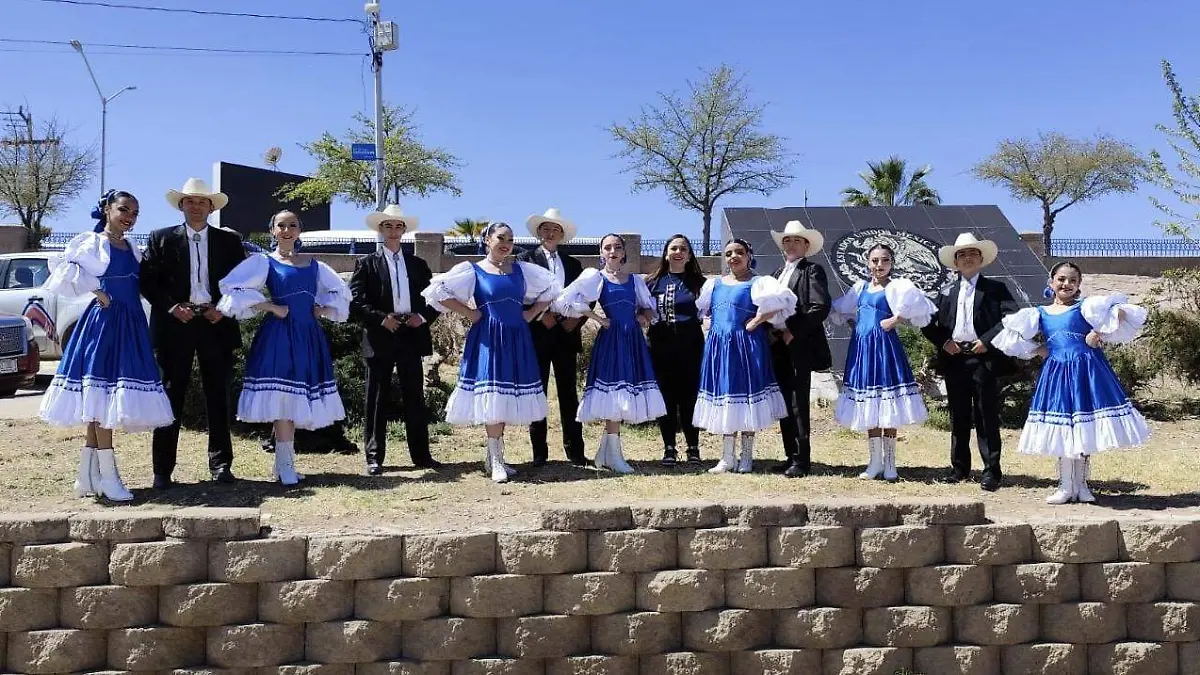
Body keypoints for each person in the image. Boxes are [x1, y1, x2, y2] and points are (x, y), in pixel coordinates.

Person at [40, 190, 174, 501]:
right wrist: (96, 290)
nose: (129, 216)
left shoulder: (131, 246)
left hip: (130, 323)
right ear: (107, 209)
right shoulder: (92, 241)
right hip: (105, 323)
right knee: (100, 399)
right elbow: (63, 267)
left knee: (100, 401)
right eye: (124, 209)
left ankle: (87, 477)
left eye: (135, 212)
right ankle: (109, 477)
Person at [992, 261, 1149, 504]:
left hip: (1087, 371)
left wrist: (1100, 333)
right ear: (1051, 282)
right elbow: (1011, 338)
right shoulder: (1039, 313)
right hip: (1057, 374)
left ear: (1079, 286)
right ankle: (1065, 485)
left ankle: (1082, 485)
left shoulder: (1086, 308)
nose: (1067, 284)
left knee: (1084, 428)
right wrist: (1039, 349)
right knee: (1065, 429)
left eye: (1073, 280)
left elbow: (1121, 311)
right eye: (1062, 279)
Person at [216, 210, 351, 485]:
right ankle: (286, 465)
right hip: (278, 335)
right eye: (281, 225)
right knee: (282, 399)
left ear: (299, 230)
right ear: (272, 231)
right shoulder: (264, 262)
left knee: (295, 399)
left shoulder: (315, 265)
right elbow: (232, 289)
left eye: (292, 225)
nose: (287, 230)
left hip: (308, 335)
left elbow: (342, 293)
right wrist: (270, 306)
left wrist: (322, 309)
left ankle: (283, 465)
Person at [421, 222, 560, 482]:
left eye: (510, 238)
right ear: (487, 240)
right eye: (500, 237)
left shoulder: (522, 270)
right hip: (488, 336)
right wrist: (471, 313)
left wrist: (530, 313)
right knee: (493, 396)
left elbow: (552, 288)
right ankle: (495, 458)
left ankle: (494, 457)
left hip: (517, 336)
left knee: (503, 397)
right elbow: (437, 292)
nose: (506, 242)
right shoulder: (473, 270)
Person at [139, 178, 247, 488]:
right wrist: (172, 307)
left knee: (219, 396)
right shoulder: (160, 239)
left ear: (211, 207)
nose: (196, 206)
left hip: (215, 324)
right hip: (176, 325)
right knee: (170, 396)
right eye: (190, 201)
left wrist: (223, 308)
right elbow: (148, 282)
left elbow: (241, 284)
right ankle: (162, 470)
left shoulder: (229, 242)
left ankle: (221, 465)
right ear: (181, 206)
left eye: (202, 201)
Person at [552, 233, 665, 473]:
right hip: (611, 339)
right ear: (601, 253)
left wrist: (643, 318)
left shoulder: (635, 280)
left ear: (624, 252)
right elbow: (565, 302)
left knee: (624, 391)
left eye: (617, 247)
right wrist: (597, 318)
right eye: (607, 247)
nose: (612, 251)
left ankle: (605, 454)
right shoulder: (596, 278)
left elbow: (649, 308)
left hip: (632, 339)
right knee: (615, 392)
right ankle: (614, 456)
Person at [830, 242, 936, 482]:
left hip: (885, 348)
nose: (879, 265)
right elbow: (840, 309)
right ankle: (874, 461)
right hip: (862, 350)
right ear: (867, 262)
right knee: (870, 404)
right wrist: (854, 325)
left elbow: (920, 308)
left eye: (885, 260)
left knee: (887, 405)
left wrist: (896, 319)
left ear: (892, 263)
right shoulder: (860, 289)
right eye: (875, 260)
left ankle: (890, 463)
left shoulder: (896, 288)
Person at [921, 233, 1019, 492]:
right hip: (955, 359)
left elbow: (1011, 317)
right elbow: (927, 322)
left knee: (986, 414)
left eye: (972, 253)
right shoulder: (945, 292)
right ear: (955, 261)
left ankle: (991, 471)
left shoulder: (996, 289)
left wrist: (987, 340)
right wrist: (944, 342)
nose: (967, 258)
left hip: (983, 358)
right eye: (962, 254)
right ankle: (959, 468)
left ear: (981, 258)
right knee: (959, 415)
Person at [349, 205, 441, 475]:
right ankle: (374, 457)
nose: (393, 230)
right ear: (381, 229)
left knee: (414, 396)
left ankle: (421, 456)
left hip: (411, 335)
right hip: (381, 336)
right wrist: (380, 318)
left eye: (397, 226)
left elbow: (434, 298)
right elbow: (356, 301)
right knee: (376, 397)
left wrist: (421, 318)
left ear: (404, 230)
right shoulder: (366, 263)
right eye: (387, 225)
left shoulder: (418, 265)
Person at [693, 239, 796, 473]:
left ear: (749, 255)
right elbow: (704, 310)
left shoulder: (759, 283)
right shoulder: (714, 284)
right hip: (720, 347)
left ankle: (746, 456)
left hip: (747, 345)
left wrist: (757, 321)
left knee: (747, 395)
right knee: (726, 394)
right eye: (728, 253)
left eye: (739, 252)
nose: (733, 257)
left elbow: (783, 303)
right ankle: (727, 456)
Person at [517, 208, 588, 466]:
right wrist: (539, 316)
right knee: (538, 391)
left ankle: (575, 450)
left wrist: (577, 320)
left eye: (555, 229)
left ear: (562, 234)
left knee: (569, 393)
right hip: (538, 334)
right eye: (546, 228)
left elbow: (585, 296)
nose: (550, 233)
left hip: (566, 335)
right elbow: (519, 295)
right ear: (539, 232)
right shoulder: (525, 260)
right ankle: (539, 452)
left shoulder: (573, 264)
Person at [767, 220, 832, 478]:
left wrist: (793, 330)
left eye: (796, 240)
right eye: (787, 240)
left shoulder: (812, 271)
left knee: (797, 402)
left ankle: (801, 459)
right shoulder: (774, 275)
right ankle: (789, 455)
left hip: (798, 345)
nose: (791, 244)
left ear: (806, 245)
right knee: (784, 401)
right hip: (776, 344)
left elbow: (819, 306)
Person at [644, 234, 707, 465]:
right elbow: (641, 309)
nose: (678, 252)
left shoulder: (701, 283)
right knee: (666, 396)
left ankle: (693, 447)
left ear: (690, 255)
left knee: (689, 396)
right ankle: (669, 448)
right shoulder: (651, 282)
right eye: (674, 248)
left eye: (683, 249)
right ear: (666, 252)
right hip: (660, 346)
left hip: (690, 345)